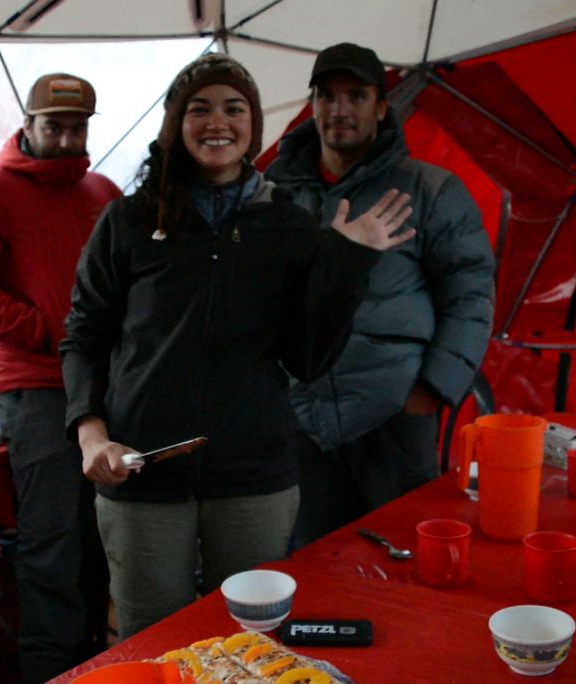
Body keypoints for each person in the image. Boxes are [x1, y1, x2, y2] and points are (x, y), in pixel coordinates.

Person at [59, 53, 415, 639]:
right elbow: (84, 334)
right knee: (155, 641)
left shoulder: (290, 225)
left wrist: (346, 261)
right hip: (143, 469)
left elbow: (308, 359)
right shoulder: (127, 220)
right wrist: (89, 431)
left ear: (253, 124)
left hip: (254, 475)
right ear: (175, 123)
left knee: (251, 642)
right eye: (198, 109)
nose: (216, 122)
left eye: (234, 108)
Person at [265, 43, 496, 547]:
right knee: (312, 569)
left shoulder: (430, 190)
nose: (339, 109)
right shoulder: (275, 194)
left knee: (407, 564)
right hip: (301, 425)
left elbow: (471, 295)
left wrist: (430, 391)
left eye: (356, 95)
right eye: (326, 95)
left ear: (381, 107)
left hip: (395, 417)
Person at [0, 72, 121, 683]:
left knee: (106, 533)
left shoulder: (103, 190)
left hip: (108, 387)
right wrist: (50, 330)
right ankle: (50, 671)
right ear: (27, 123)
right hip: (39, 388)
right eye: (54, 126)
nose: (66, 139)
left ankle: (101, 662)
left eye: (77, 127)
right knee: (52, 540)